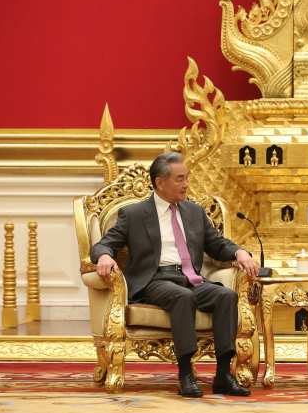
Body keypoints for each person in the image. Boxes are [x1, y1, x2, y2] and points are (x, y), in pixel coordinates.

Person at [92, 152, 259, 398]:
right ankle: (185, 374)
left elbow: (217, 244)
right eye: (180, 179)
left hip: (192, 278)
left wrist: (239, 252)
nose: (186, 184)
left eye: (187, 178)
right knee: (182, 297)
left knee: (226, 296)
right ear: (160, 182)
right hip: (156, 280)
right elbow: (104, 244)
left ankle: (223, 374)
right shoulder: (135, 214)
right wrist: (105, 256)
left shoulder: (194, 212)